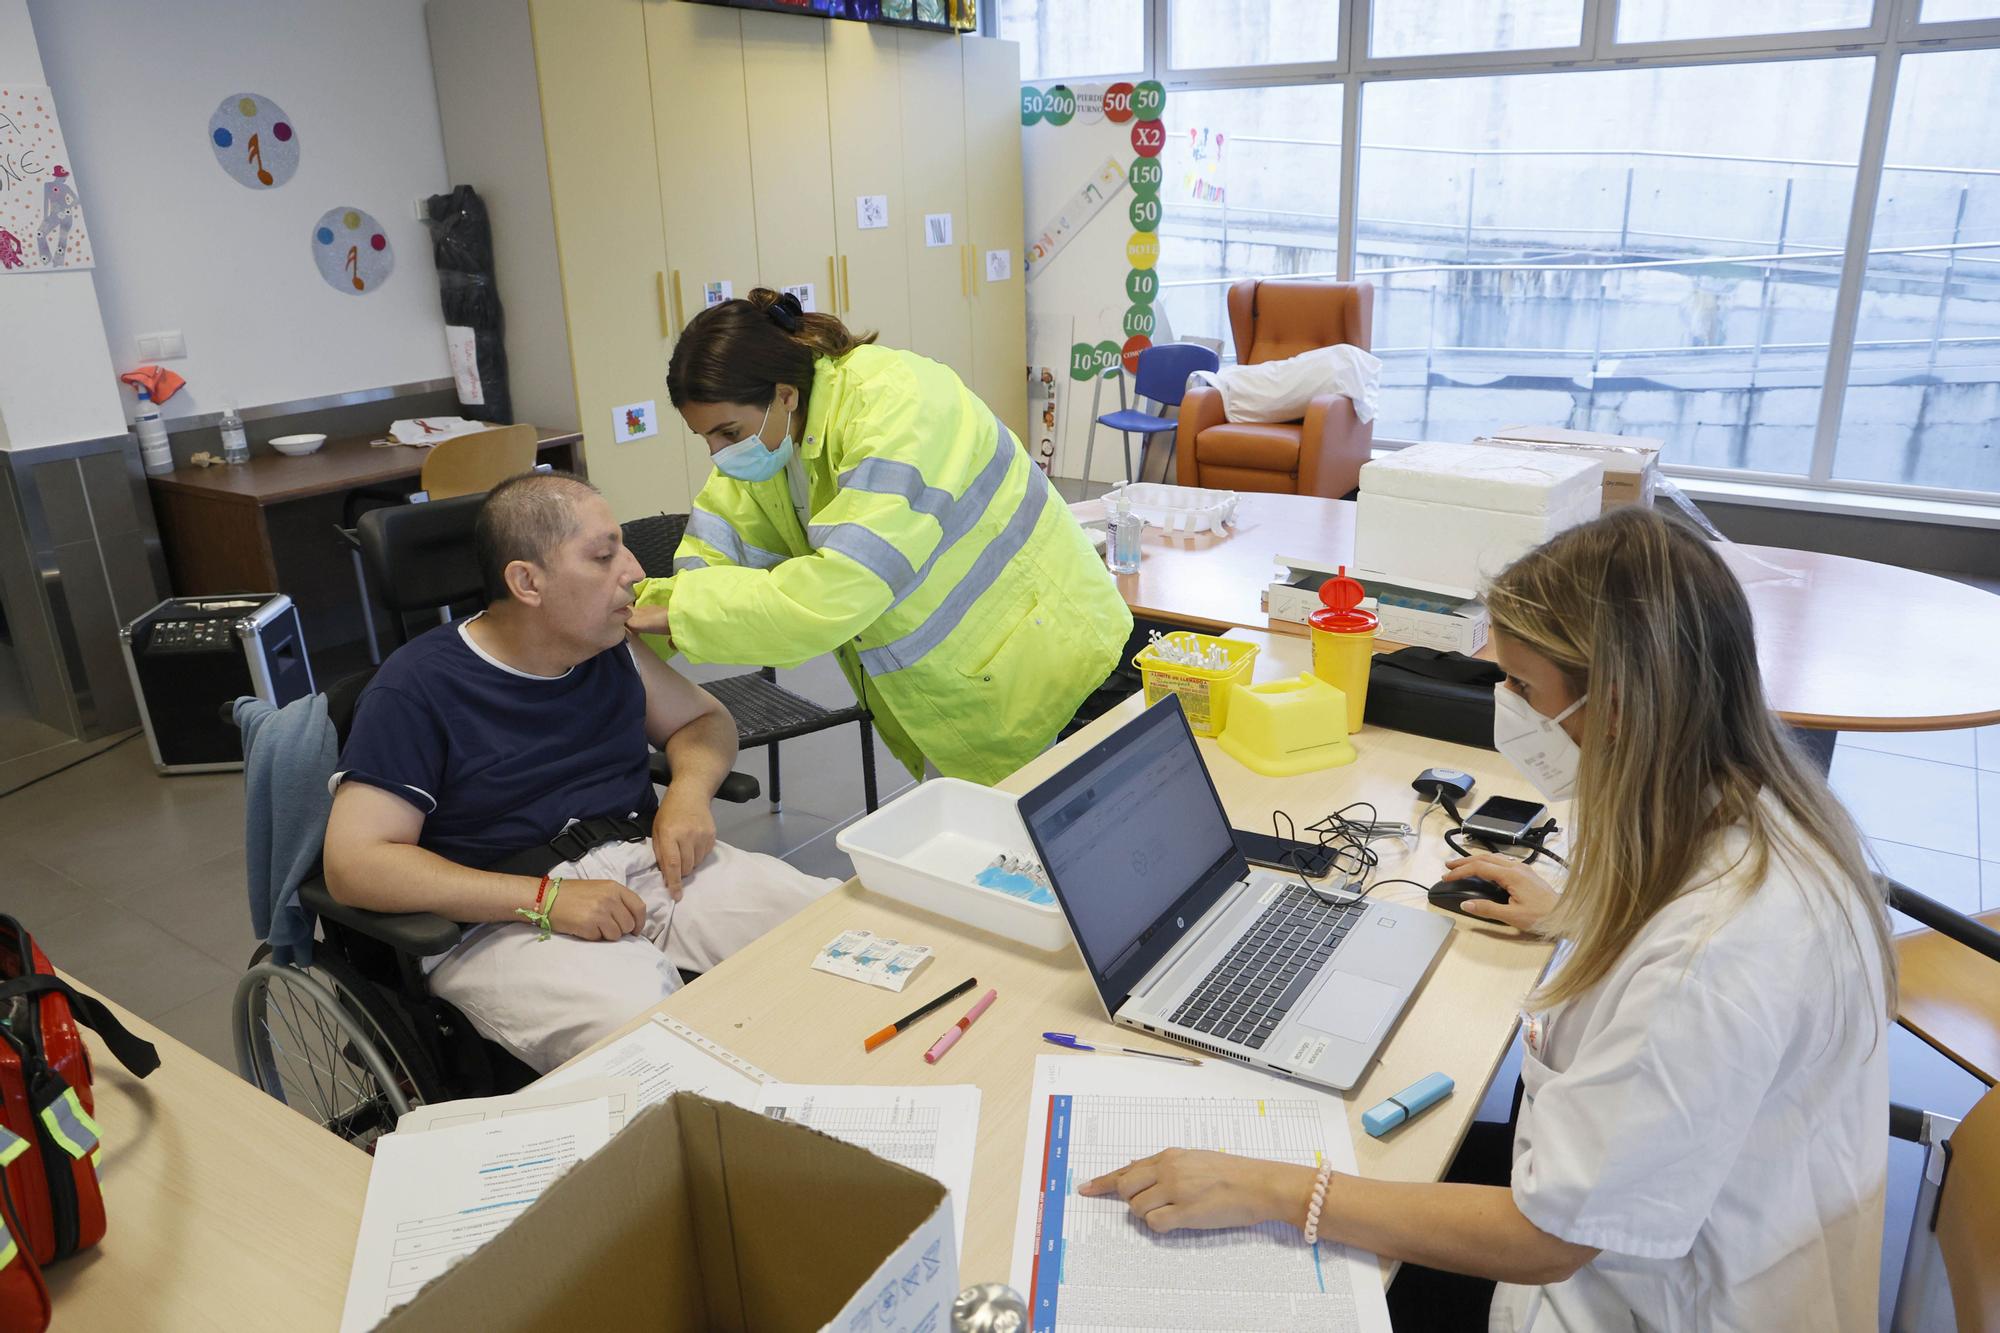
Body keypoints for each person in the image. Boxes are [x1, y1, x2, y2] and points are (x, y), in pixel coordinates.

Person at [1078, 507, 1896, 1332]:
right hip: (1661, 1224)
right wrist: (1584, 914)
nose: (1506, 704)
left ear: (1614, 706)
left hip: (1650, 1299)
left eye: (1522, 685)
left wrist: (1281, 1191)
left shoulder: (1713, 957)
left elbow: (1547, 1238)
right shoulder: (1754, 808)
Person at [323, 471, 835, 1072]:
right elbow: (356, 863)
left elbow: (703, 722)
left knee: (829, 933)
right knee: (649, 1034)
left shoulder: (607, 644)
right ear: (527, 581)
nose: (635, 572)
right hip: (500, 918)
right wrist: (543, 899)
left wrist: (689, 796)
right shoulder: (416, 689)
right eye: (603, 555)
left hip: (642, 865)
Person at [627, 288, 1133, 785]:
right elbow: (713, 555)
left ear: (784, 394)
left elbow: (842, 589)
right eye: (707, 438)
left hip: (1053, 666)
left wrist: (675, 613)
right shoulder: (774, 439)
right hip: (961, 693)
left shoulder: (899, 408)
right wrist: (633, 615)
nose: (718, 453)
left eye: (728, 433)